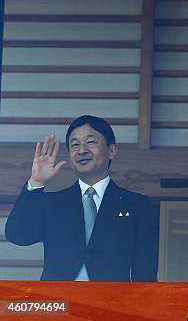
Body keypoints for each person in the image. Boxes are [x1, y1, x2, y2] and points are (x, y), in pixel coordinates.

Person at [5, 115, 158, 281]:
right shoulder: (54, 203)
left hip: (111, 303)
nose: (82, 150)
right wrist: (36, 183)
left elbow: (145, 270)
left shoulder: (138, 205)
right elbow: (17, 235)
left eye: (91, 142)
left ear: (112, 151)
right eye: (75, 144)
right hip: (58, 303)